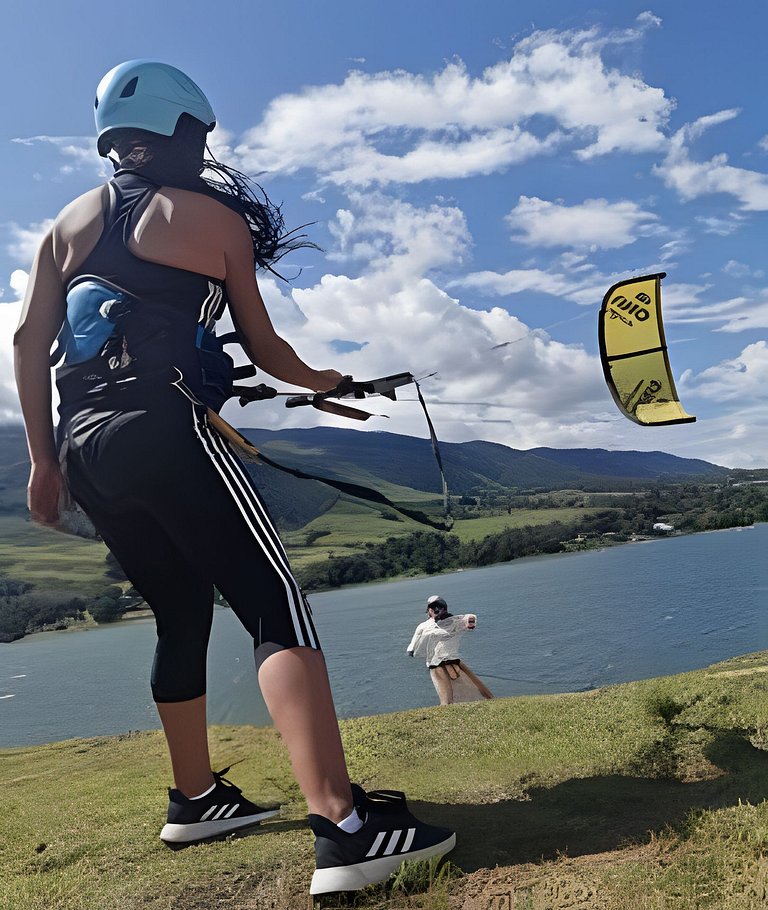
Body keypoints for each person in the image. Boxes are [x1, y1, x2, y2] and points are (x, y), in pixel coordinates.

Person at [14, 59, 454, 894]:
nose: (207, 147)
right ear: (182, 128)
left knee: (179, 613)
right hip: (165, 432)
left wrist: (43, 462)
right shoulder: (209, 218)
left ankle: (197, 799)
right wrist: (328, 381)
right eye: (202, 134)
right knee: (270, 603)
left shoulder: (65, 225)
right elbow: (267, 350)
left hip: (85, 448)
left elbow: (30, 344)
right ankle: (347, 827)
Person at [407, 595, 494, 705]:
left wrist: (470, 622)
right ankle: (448, 706)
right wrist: (412, 648)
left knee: (473, 686)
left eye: (439, 607)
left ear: (444, 608)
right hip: (436, 665)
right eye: (433, 608)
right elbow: (415, 640)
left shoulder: (452, 622)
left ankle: (485, 701)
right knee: (445, 693)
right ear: (429, 610)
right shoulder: (424, 626)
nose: (436, 610)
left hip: (454, 661)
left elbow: (469, 618)